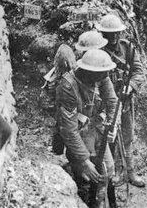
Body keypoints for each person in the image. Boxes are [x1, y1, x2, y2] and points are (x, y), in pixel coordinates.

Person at [56, 49, 118, 206]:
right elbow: (69, 130)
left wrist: (112, 126)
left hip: (97, 129)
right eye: (102, 74)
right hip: (78, 134)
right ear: (89, 72)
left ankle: (103, 202)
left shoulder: (101, 75)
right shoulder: (68, 86)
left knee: (108, 169)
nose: (105, 77)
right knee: (85, 177)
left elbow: (112, 101)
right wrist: (84, 160)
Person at [96, 14, 146, 188]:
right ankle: (116, 171)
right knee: (110, 136)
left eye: (117, 33)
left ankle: (130, 171)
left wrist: (130, 86)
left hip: (125, 100)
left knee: (127, 136)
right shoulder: (97, 51)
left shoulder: (128, 48)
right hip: (107, 103)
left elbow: (139, 72)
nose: (114, 37)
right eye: (109, 34)